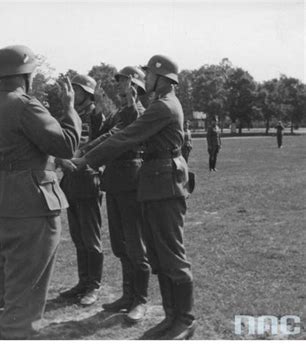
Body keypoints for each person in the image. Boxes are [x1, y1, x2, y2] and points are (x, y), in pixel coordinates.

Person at [72, 55, 196, 340]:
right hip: (156, 182)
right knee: (160, 254)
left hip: (164, 184)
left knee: (172, 256)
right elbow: (120, 133)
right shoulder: (159, 105)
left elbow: (126, 137)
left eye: (148, 74)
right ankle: (172, 317)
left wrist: (85, 160)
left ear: (161, 77)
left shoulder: (163, 106)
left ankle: (185, 320)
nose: (145, 78)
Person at [0, 45, 81, 339]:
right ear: (27, 74)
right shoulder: (24, 105)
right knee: (23, 305)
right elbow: (66, 145)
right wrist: (70, 109)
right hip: (29, 209)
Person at [80, 66, 149, 323]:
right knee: (120, 244)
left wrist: (131, 102)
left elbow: (128, 129)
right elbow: (104, 133)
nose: (118, 86)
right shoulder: (120, 112)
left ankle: (140, 299)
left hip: (132, 181)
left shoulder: (140, 111)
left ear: (136, 87)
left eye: (123, 83)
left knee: (135, 243)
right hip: (116, 181)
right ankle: (128, 294)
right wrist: (97, 109)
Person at [57, 74, 105, 306]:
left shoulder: (97, 115)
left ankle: (93, 286)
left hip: (88, 179)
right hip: (70, 182)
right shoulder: (70, 115)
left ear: (87, 93)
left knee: (91, 237)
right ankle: (83, 281)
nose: (72, 94)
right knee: (78, 236)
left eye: (76, 90)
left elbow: (102, 144)